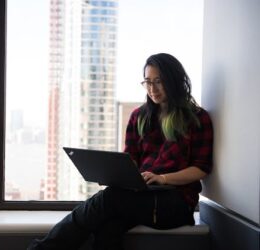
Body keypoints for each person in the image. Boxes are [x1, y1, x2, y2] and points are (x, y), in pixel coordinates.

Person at [28, 53, 213, 250]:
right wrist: (115, 175)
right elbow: (131, 160)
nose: (152, 88)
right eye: (147, 82)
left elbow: (201, 169)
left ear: (173, 79)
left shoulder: (197, 118)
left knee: (109, 198)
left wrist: (163, 178)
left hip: (176, 202)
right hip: (142, 196)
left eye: (158, 81)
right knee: (109, 226)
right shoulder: (139, 117)